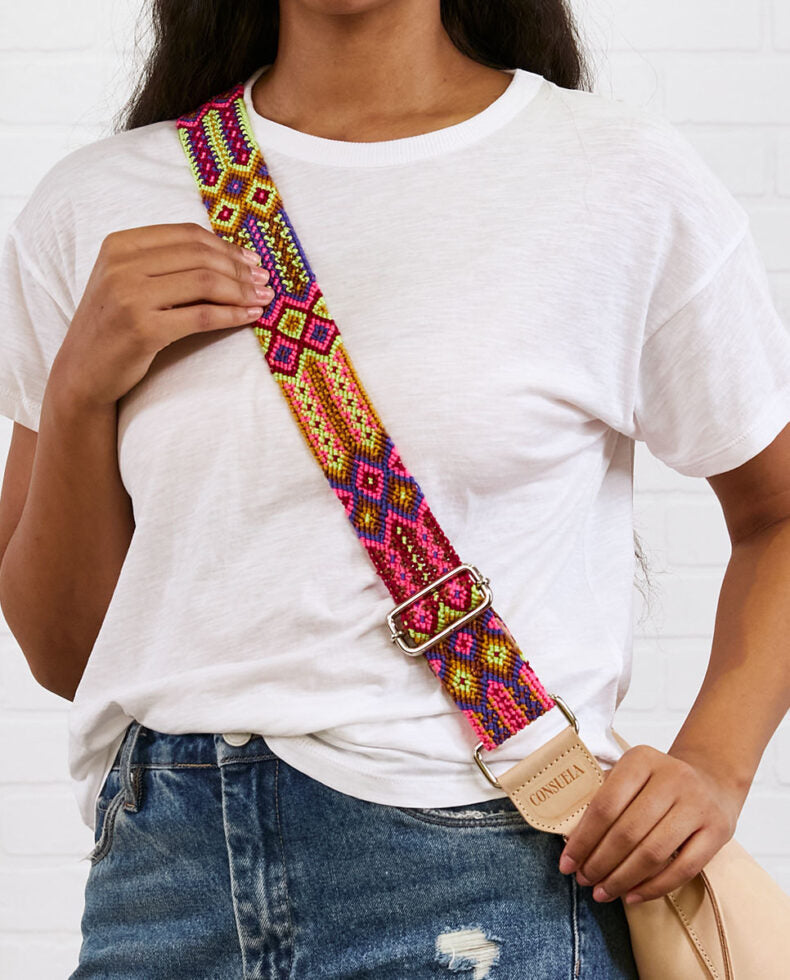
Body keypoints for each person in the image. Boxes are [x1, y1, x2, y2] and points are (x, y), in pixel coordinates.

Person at [0, 0, 789, 976]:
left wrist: (715, 764)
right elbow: (68, 653)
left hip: (481, 880)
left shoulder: (615, 179)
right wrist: (78, 388)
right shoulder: (94, 206)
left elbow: (777, 512)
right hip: (162, 890)